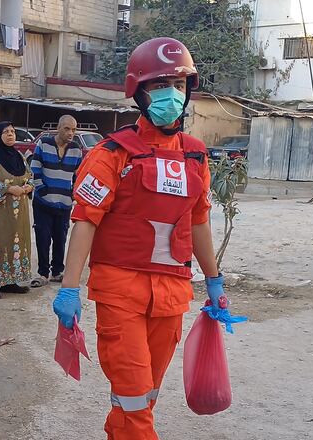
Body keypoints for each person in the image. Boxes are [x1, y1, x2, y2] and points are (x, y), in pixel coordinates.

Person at [52, 37, 243, 439]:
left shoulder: (195, 155)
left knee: (141, 398)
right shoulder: (111, 154)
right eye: (158, 86)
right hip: (121, 294)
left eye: (177, 84)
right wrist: (68, 289)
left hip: (172, 295)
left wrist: (213, 280)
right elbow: (84, 221)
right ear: (138, 92)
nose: (170, 94)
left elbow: (199, 221)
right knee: (136, 400)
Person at [0, 121, 34, 299]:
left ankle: (10, 282)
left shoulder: (19, 156)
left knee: (15, 242)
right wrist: (9, 189)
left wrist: (27, 188)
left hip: (19, 212)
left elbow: (30, 177)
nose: (10, 134)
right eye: (6, 132)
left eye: (12, 131)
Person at [29, 115, 83, 287]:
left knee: (61, 238)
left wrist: (73, 194)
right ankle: (43, 273)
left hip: (64, 203)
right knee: (43, 238)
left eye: (74, 129)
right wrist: (41, 188)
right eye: (67, 128)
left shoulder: (76, 149)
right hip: (43, 202)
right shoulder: (44, 143)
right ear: (58, 128)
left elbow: (78, 174)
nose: (71, 133)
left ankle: (57, 271)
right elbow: (35, 168)